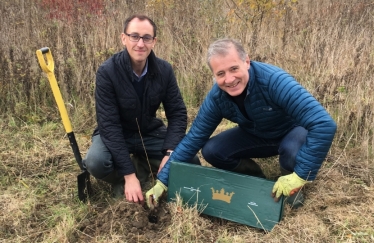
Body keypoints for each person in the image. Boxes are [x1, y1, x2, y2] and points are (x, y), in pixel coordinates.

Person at [146, 38, 337, 209]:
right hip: (257, 135)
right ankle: (257, 179)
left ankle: (292, 184)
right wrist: (163, 181)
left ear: (247, 61)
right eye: (220, 73)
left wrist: (301, 175)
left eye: (234, 69)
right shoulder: (217, 97)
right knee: (212, 150)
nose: (229, 79)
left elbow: (323, 124)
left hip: (291, 131)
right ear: (213, 75)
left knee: (292, 150)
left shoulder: (274, 81)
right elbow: (194, 138)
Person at [83, 14, 199, 204]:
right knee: (96, 163)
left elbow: (177, 113)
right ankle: (128, 177)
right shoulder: (107, 72)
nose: (140, 44)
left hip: (148, 132)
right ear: (124, 38)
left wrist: (170, 153)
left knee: (191, 160)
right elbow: (109, 125)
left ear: (154, 41)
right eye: (134, 36)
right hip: (117, 134)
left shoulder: (164, 70)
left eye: (146, 38)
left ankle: (144, 164)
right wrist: (128, 175)